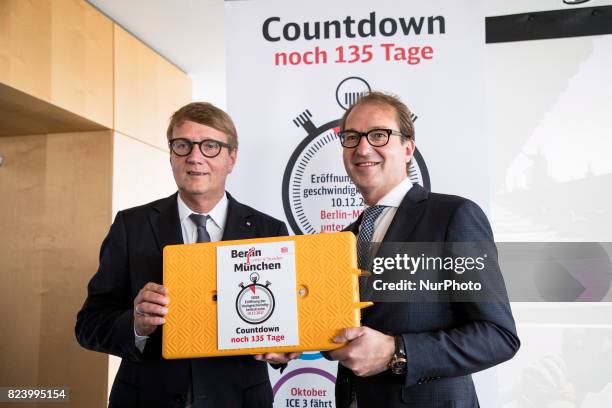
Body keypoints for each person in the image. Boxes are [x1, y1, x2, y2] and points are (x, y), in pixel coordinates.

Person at [76, 102, 296, 408]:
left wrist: (284, 346)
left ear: (231, 158)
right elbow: (89, 325)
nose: (195, 157)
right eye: (183, 145)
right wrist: (136, 325)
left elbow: (285, 327)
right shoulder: (131, 225)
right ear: (171, 155)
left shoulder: (268, 230)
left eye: (210, 146)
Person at [328, 92, 520, 407]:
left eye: (379, 135)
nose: (363, 148)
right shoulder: (345, 238)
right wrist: (291, 342)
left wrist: (396, 351)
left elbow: (498, 336)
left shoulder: (452, 216)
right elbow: (347, 332)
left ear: (407, 148)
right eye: (351, 137)